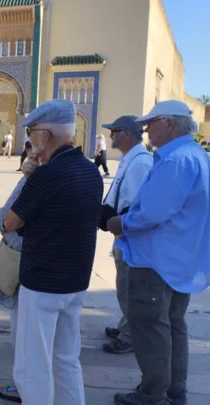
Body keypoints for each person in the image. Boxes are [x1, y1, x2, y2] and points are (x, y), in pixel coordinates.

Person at [107, 100, 210, 405]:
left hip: (156, 260)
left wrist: (120, 223)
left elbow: (152, 212)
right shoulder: (196, 155)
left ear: (169, 124)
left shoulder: (176, 160)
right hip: (178, 259)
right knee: (173, 325)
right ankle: (174, 389)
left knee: (151, 327)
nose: (146, 129)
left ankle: (152, 392)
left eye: (151, 123)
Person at [3, 99, 103, 405]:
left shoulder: (46, 176)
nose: (30, 139)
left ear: (46, 135)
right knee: (66, 360)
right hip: (75, 282)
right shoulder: (90, 172)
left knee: (33, 366)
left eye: (32, 132)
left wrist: (28, 176)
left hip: (43, 284)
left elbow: (9, 221)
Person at [97, 115, 153, 355]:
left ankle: (131, 335)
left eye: (115, 131)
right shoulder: (131, 159)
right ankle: (126, 325)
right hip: (122, 229)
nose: (111, 136)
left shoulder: (140, 162)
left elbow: (138, 203)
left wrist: (120, 222)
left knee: (130, 286)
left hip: (130, 234)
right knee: (124, 283)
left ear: (128, 134)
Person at [0, 150, 40, 403]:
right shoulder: (69, 175)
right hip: (54, 270)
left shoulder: (33, 181)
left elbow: (7, 218)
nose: (29, 155)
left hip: (25, 263)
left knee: (23, 329)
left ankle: (25, 387)